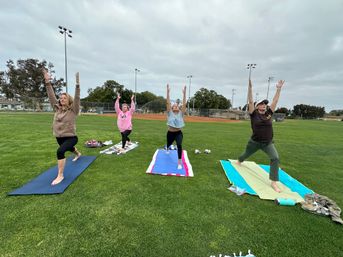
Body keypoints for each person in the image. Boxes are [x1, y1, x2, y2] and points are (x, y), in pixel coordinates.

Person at [237, 79, 285, 192]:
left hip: (267, 143)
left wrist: (278, 88)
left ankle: (274, 182)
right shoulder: (253, 114)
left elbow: (275, 100)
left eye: (265, 104)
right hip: (254, 142)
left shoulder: (269, 114)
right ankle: (239, 160)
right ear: (257, 106)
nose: (264, 105)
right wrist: (250, 88)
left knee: (275, 158)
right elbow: (250, 101)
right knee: (244, 155)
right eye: (261, 104)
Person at [43, 69, 81, 185]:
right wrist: (47, 82)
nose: (61, 99)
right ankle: (78, 153)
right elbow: (51, 96)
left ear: (68, 100)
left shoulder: (73, 110)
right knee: (69, 149)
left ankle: (60, 175)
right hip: (59, 137)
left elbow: (77, 98)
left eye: (64, 98)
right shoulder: (57, 108)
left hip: (71, 137)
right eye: (60, 98)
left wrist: (77, 85)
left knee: (60, 151)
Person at [165, 84, 187, 169]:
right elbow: (167, 102)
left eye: (177, 106)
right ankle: (167, 147)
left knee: (179, 145)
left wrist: (184, 94)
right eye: (174, 106)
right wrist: (167, 92)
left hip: (178, 133)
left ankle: (179, 162)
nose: (175, 106)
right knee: (168, 144)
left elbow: (184, 104)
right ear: (172, 108)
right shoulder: (169, 113)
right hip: (170, 133)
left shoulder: (181, 113)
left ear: (178, 107)